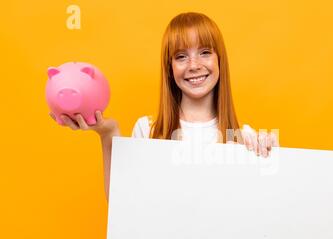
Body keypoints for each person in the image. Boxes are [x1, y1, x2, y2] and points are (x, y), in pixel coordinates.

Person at [49, 12, 278, 202]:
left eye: (205, 52)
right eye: (181, 56)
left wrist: (271, 155)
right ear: (169, 68)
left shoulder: (243, 137)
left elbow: (263, 215)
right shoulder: (149, 131)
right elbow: (122, 205)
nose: (194, 65)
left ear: (220, 61)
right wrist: (108, 134)